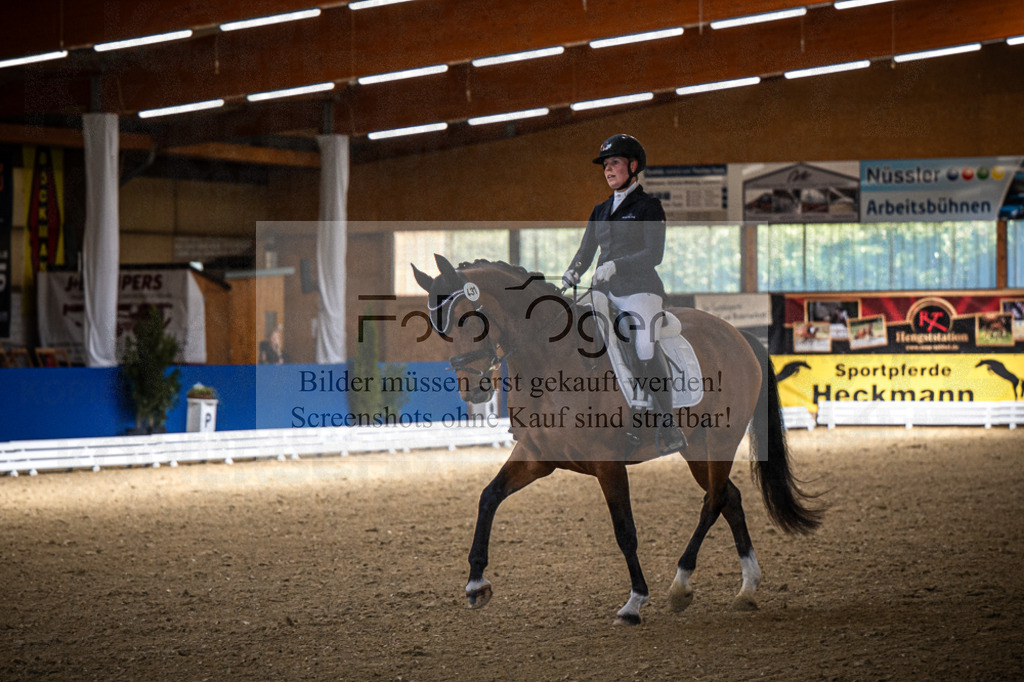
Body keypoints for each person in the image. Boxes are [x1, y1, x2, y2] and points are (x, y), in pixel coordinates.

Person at [561, 134, 686, 452]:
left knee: (644, 344)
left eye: (614, 162)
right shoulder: (600, 210)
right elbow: (585, 251)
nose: (608, 169)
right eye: (605, 165)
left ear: (632, 166)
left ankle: (666, 423)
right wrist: (573, 270)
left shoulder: (648, 206)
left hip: (639, 291)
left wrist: (616, 265)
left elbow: (653, 254)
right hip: (602, 291)